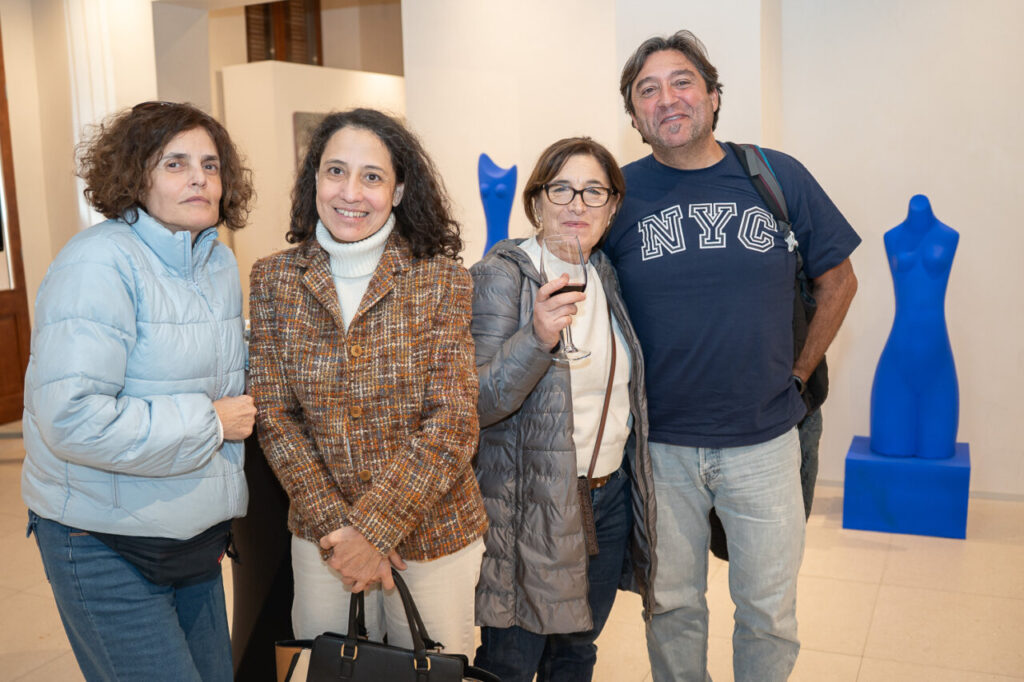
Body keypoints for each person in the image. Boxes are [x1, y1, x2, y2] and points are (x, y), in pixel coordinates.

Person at [605, 31, 861, 681]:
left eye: (682, 81)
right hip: (659, 447)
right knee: (670, 607)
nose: (667, 99)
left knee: (769, 611)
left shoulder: (776, 176)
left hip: (767, 439)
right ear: (634, 116)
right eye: (648, 89)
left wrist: (799, 377)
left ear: (714, 97)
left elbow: (839, 279)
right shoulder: (618, 197)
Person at [22, 101, 257, 681]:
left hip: (191, 540)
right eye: (175, 163)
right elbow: (72, 419)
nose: (199, 177)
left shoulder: (218, 263)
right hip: (103, 540)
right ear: (135, 176)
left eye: (210, 164)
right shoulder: (97, 264)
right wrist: (210, 423)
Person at [248, 108, 488, 658]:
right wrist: (343, 534)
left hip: (432, 536)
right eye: (335, 171)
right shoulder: (274, 278)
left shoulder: (441, 278)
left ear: (399, 190)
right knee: (326, 669)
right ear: (314, 181)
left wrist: (375, 530)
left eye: (372, 176)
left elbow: (452, 420)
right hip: (322, 539)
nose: (350, 192)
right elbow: (276, 416)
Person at [471, 137, 655, 682]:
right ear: (537, 201)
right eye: (562, 189)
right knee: (511, 660)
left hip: (607, 500)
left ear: (613, 206)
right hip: (533, 503)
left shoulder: (606, 275)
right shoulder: (503, 275)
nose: (578, 204)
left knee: (576, 654)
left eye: (594, 191)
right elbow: (477, 402)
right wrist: (537, 337)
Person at [870, 194, 959, 459]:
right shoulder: (891, 237)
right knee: (891, 449)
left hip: (937, 354)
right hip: (899, 351)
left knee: (938, 452)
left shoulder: (949, 236)